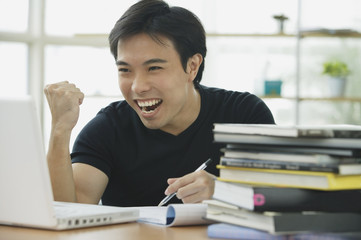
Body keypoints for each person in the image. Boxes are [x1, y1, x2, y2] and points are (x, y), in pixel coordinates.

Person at [44, 0, 275, 207]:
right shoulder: (107, 128)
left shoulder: (244, 114)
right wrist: (60, 130)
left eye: (154, 68)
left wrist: (224, 192)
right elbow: (67, 210)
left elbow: (286, 199)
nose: (137, 86)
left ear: (192, 66)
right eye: (125, 70)